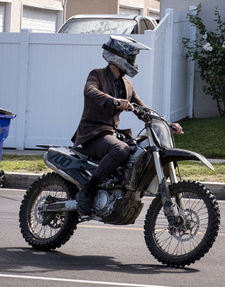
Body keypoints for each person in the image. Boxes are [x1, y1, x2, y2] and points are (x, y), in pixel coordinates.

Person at [71, 35, 182, 215]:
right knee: (120, 150)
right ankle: (88, 189)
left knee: (139, 152)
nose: (133, 61)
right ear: (118, 57)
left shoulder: (127, 84)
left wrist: (167, 124)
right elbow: (89, 91)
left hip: (112, 134)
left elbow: (143, 109)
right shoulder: (97, 74)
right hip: (93, 134)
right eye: (131, 57)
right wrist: (114, 101)